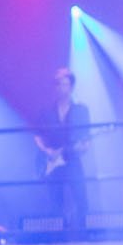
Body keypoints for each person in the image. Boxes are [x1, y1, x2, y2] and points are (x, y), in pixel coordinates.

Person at [33, 66, 90, 230]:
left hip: (72, 160)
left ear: (71, 86)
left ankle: (85, 236)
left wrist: (83, 147)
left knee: (81, 199)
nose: (59, 87)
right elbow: (38, 136)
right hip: (52, 161)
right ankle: (58, 236)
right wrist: (48, 152)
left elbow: (85, 138)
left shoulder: (81, 110)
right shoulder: (46, 112)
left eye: (63, 83)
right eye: (57, 83)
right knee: (56, 203)